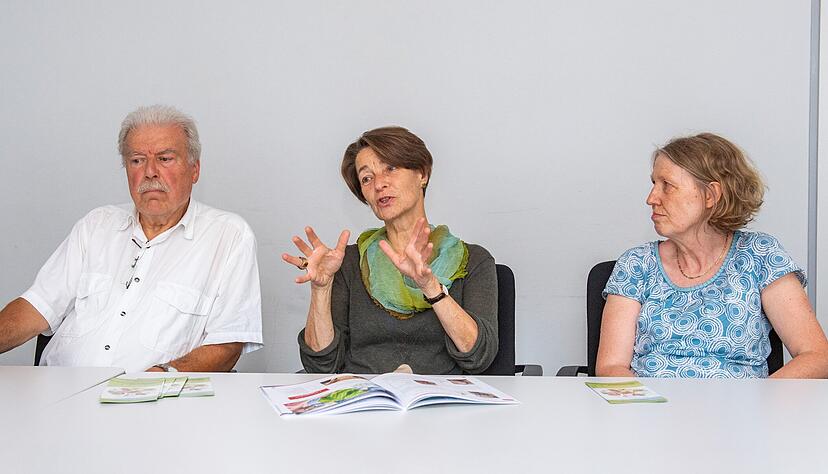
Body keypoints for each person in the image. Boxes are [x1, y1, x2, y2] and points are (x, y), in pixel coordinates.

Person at [0, 105, 263, 372]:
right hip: (56, 389)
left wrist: (156, 379)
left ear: (194, 169)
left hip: (153, 401)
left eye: (165, 159)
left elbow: (228, 344)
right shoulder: (96, 225)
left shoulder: (228, 236)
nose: (150, 172)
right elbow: (36, 306)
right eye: (137, 160)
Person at [597, 133, 828, 378]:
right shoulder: (636, 264)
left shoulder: (761, 255)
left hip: (744, 412)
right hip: (651, 409)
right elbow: (612, 367)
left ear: (711, 195)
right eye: (654, 184)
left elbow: (817, 356)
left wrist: (760, 405)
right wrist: (648, 410)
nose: (651, 198)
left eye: (667, 185)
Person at [282, 126, 498, 374]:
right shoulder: (349, 263)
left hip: (438, 404)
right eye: (366, 178)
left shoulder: (474, 262)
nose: (379, 184)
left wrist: (430, 287)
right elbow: (320, 364)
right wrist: (321, 289)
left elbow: (479, 357)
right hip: (364, 402)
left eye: (391, 168)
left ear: (422, 174)